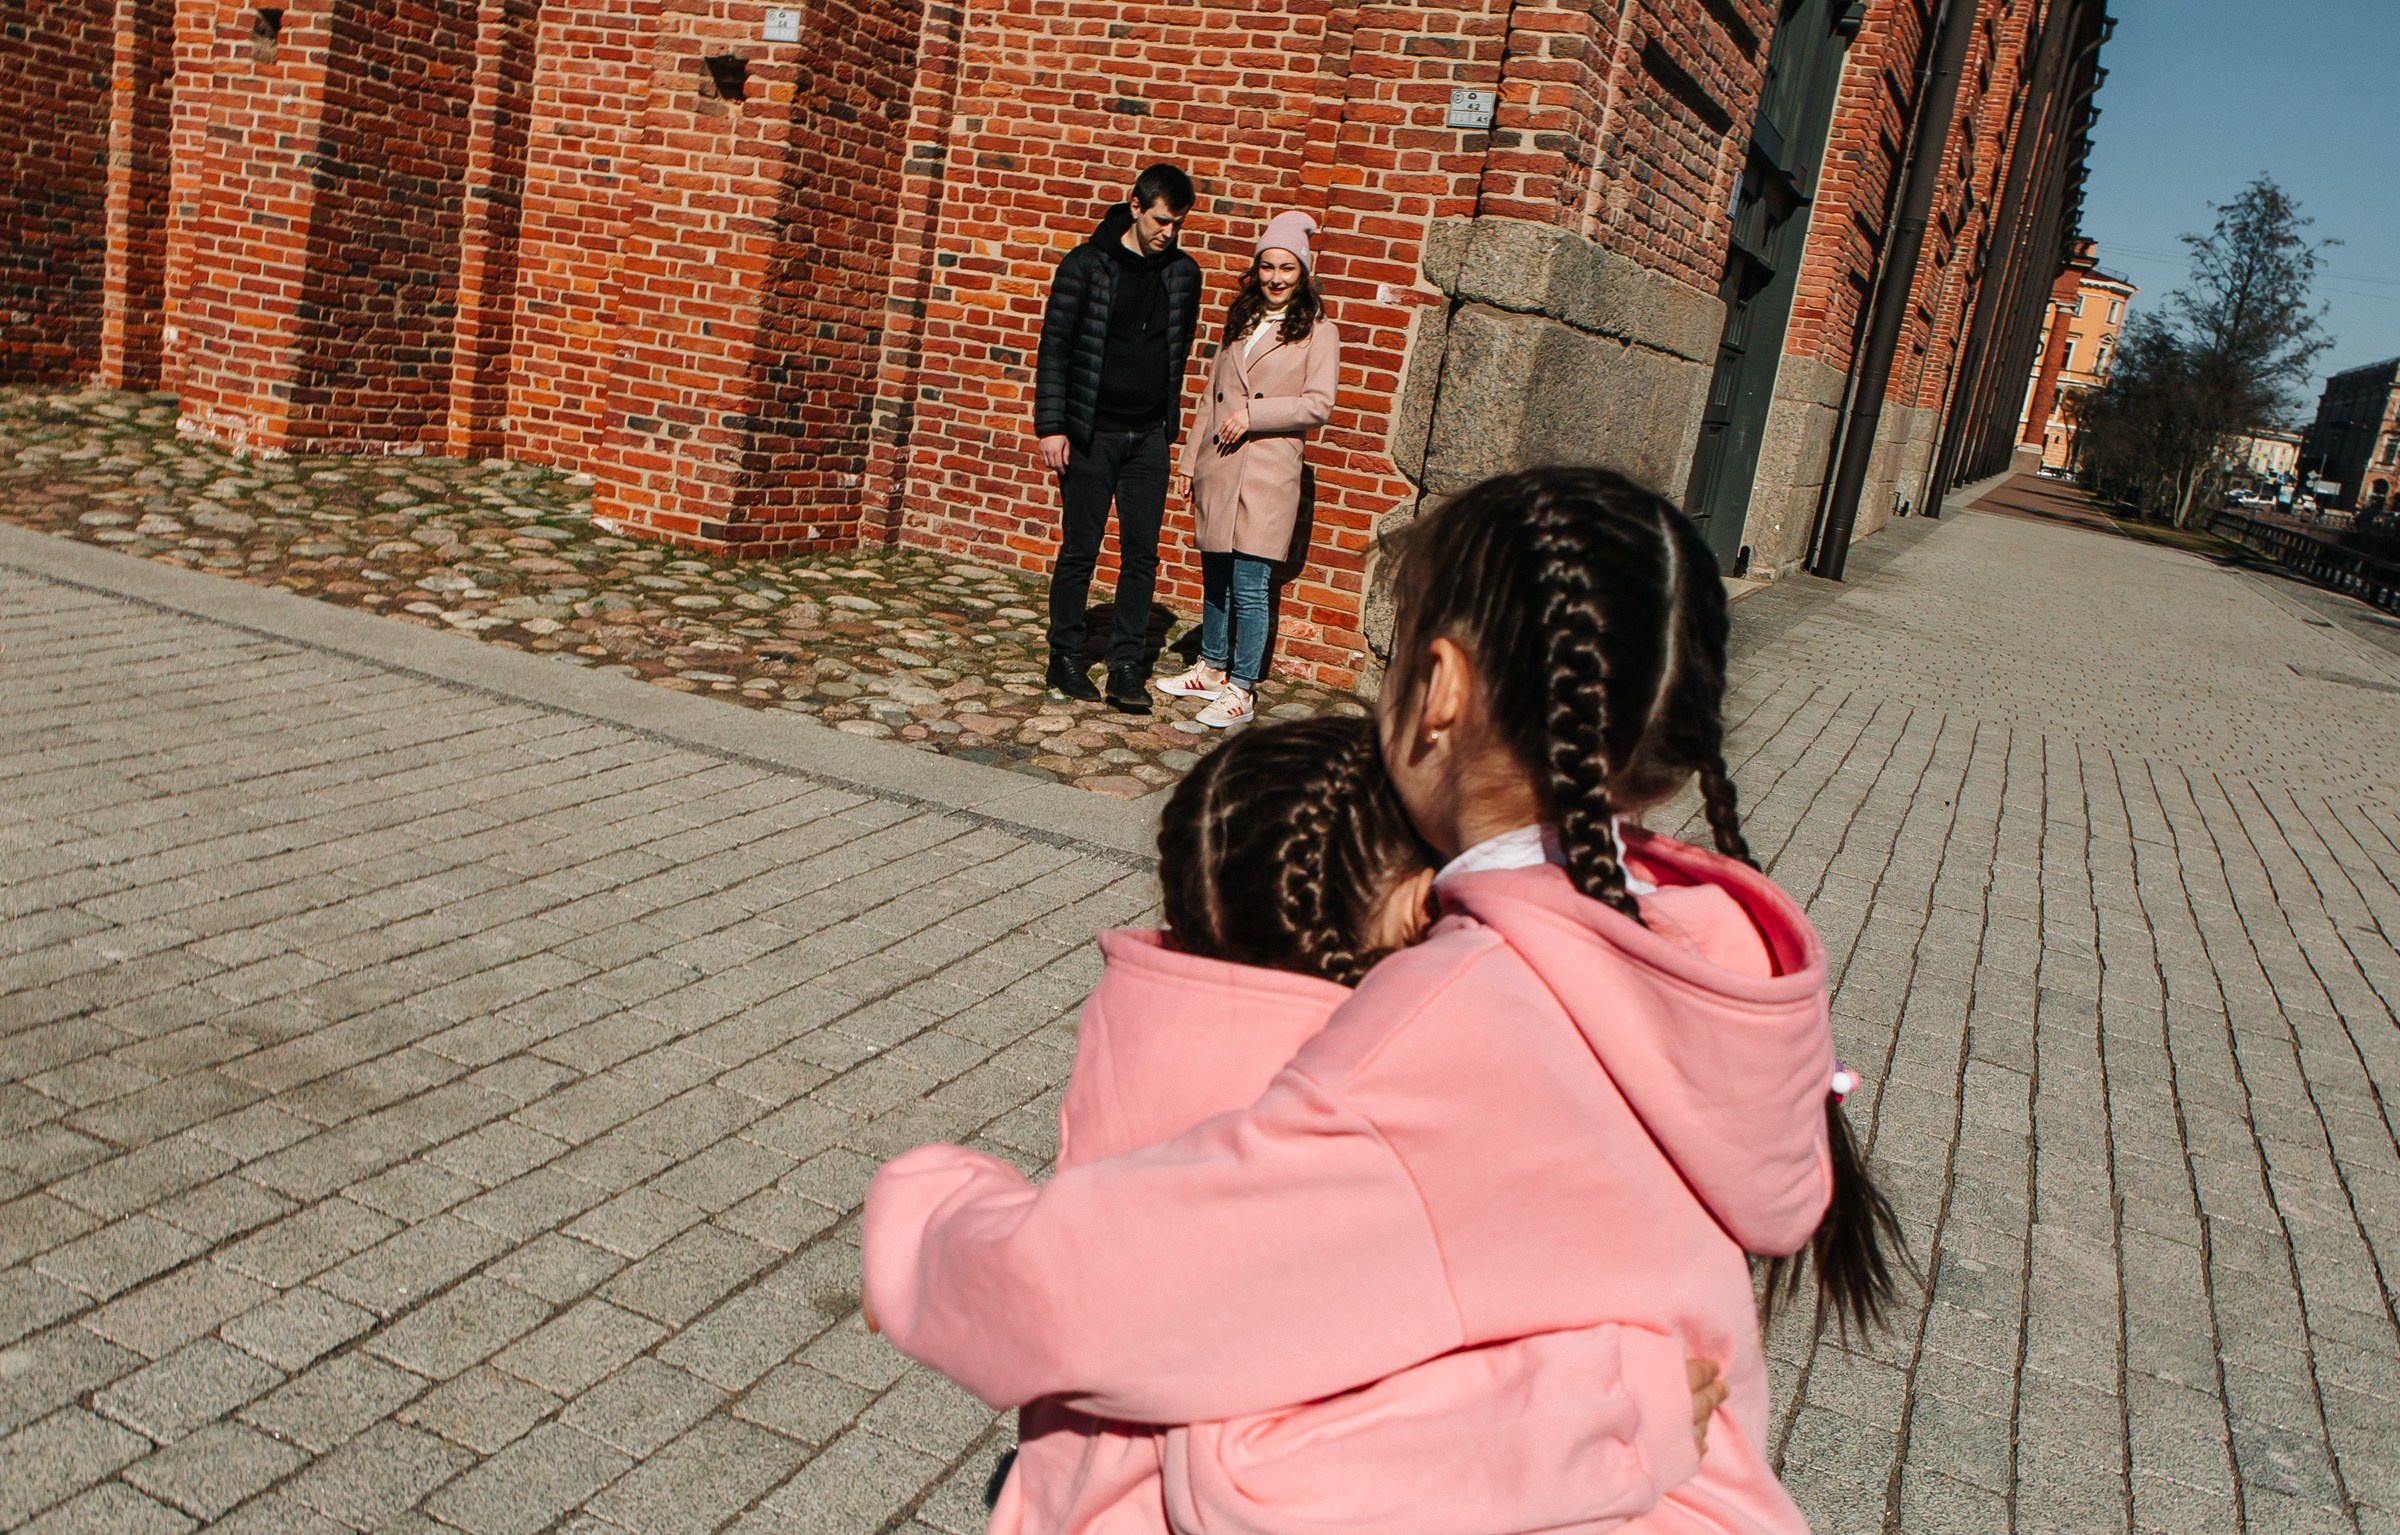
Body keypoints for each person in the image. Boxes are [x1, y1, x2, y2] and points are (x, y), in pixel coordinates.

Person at [862, 467, 1905, 1535]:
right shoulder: (1714, 951)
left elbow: (1092, 1296)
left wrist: (930, 1215)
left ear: (1441, 685)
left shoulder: (1456, 1018)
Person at [977, 714, 1728, 1535]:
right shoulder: (1347, 1120)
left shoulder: (1147, 1027)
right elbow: (1265, 1472)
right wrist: (1613, 1413)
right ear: (1413, 904)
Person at [1155, 211, 1341, 728]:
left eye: (1287, 268)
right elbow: (1209, 401)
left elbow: (1318, 405)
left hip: (1267, 471)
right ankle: (1211, 668)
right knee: (1215, 575)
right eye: (1267, 267)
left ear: (1302, 273)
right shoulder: (1240, 321)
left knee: (1252, 583)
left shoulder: (1319, 332)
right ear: (1255, 271)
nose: (1276, 278)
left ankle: (1242, 688)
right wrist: (1190, 462)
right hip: (1220, 463)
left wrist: (1255, 415)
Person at [1036, 163, 1203, 714]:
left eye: (1177, 223)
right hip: (1090, 432)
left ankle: (1127, 664)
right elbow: (1055, 347)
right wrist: (1052, 425)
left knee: (1142, 555)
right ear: (1135, 206)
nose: (1168, 233)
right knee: (1080, 549)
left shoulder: (1182, 273)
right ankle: (1065, 655)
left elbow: (1175, 352)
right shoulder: (1085, 266)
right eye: (1161, 220)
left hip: (1149, 435)